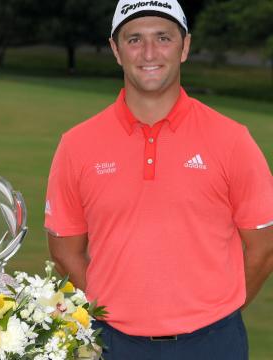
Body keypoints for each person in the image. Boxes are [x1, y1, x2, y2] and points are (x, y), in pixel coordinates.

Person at [45, 1, 273, 359]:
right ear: (115, 51)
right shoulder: (76, 145)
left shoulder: (232, 139)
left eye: (163, 38)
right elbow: (64, 251)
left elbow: (263, 248)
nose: (149, 52)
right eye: (134, 39)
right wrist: (114, 309)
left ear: (184, 47)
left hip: (213, 343)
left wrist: (216, 312)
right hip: (111, 343)